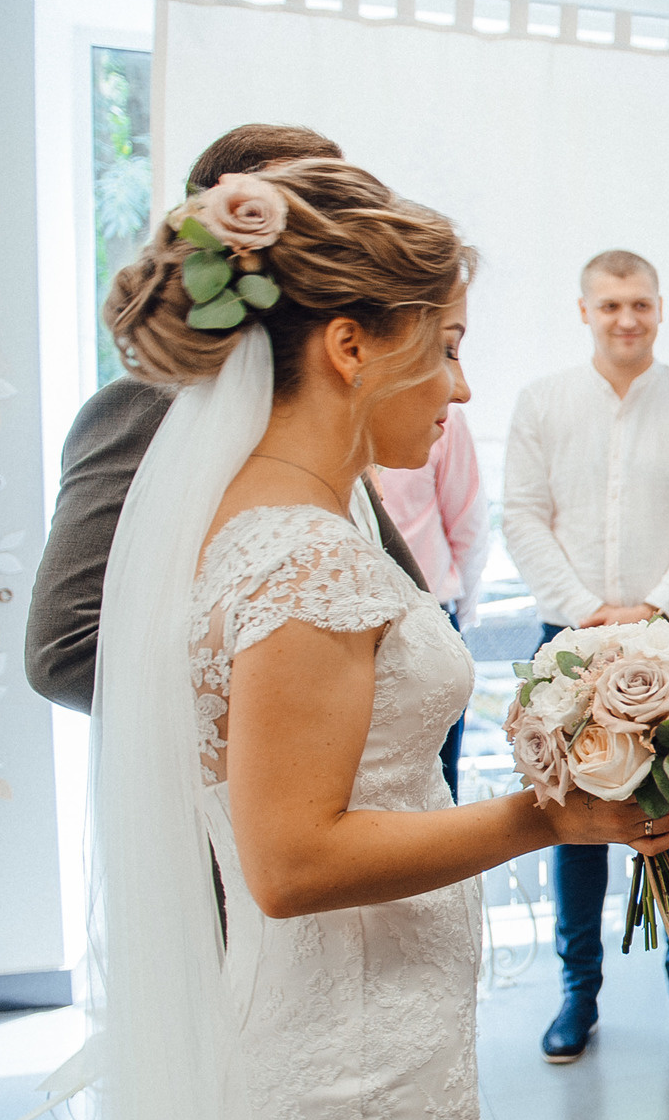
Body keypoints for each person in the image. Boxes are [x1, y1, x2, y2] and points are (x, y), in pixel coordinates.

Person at [29, 160, 669, 1120]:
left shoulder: (262, 519)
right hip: (350, 1074)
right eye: (442, 352)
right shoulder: (310, 554)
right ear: (346, 345)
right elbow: (290, 855)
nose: (458, 390)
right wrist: (551, 817)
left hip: (346, 1037)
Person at [25, 123, 432, 712]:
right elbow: (64, 653)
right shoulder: (142, 409)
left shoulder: (338, 408)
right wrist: (289, 714)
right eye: (316, 208)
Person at [502, 250, 669, 1063]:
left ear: (661, 308)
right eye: (610, 306)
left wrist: (652, 610)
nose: (626, 319)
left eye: (639, 304)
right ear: (584, 311)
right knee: (570, 823)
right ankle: (579, 996)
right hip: (568, 646)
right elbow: (523, 517)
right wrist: (586, 614)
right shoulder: (543, 403)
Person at [374, 400, 488, 798]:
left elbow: (468, 522)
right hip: (360, 620)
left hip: (431, 613)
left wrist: (460, 619)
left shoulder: (445, 416)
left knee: (436, 783)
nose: (462, 389)